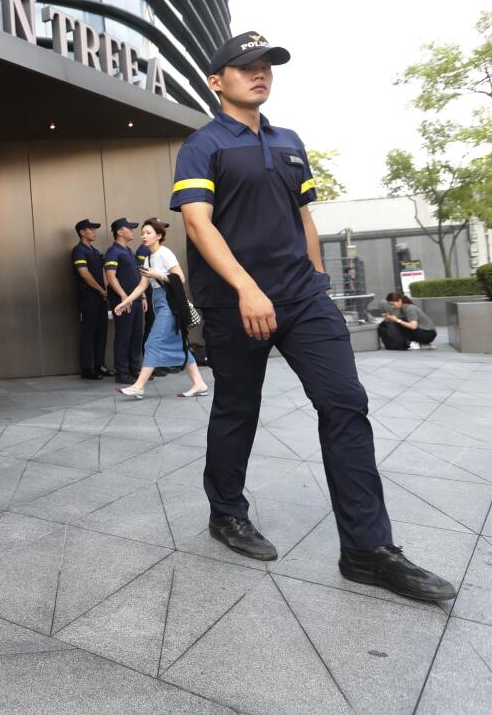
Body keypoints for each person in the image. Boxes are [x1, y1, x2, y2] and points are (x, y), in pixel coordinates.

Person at [171, 30, 455, 601]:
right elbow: (198, 224)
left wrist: (317, 279)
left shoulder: (290, 141)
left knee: (346, 403)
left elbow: (304, 218)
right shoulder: (203, 145)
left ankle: (367, 550)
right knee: (237, 406)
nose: (260, 73)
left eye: (267, 66)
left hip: (302, 298)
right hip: (236, 302)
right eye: (246, 66)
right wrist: (248, 290)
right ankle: (226, 513)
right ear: (216, 80)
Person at [115, 218, 209, 398]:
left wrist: (158, 274)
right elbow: (142, 286)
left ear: (159, 236)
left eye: (148, 233)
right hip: (159, 303)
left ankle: (139, 386)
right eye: (142, 233)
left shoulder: (165, 253)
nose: (144, 236)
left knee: (152, 342)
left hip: (169, 304)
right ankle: (199, 383)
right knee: (181, 345)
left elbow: (180, 278)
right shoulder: (149, 258)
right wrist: (125, 301)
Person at [103, 218, 151, 384]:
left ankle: (134, 369)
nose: (133, 231)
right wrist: (124, 297)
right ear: (119, 232)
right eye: (129, 228)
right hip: (123, 301)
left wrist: (143, 296)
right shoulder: (113, 252)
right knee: (124, 336)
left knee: (137, 336)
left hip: (136, 300)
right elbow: (110, 276)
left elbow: (138, 275)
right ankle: (122, 372)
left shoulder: (129, 251)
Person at [71, 218, 108, 380]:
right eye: (91, 229)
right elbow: (84, 274)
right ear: (82, 232)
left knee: (101, 331)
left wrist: (106, 291)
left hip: (101, 297)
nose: (94, 232)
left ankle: (99, 365)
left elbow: (103, 272)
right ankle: (87, 368)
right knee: (89, 332)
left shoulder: (96, 251)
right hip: (89, 297)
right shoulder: (78, 251)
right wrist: (101, 290)